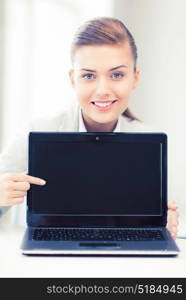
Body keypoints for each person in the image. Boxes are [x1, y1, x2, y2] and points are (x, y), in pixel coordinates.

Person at [0, 17, 179, 238]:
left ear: (135, 77)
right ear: (73, 79)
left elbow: (154, 216)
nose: (102, 89)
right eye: (88, 76)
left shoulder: (151, 141)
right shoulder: (34, 132)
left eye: (116, 75)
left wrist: (163, 227)